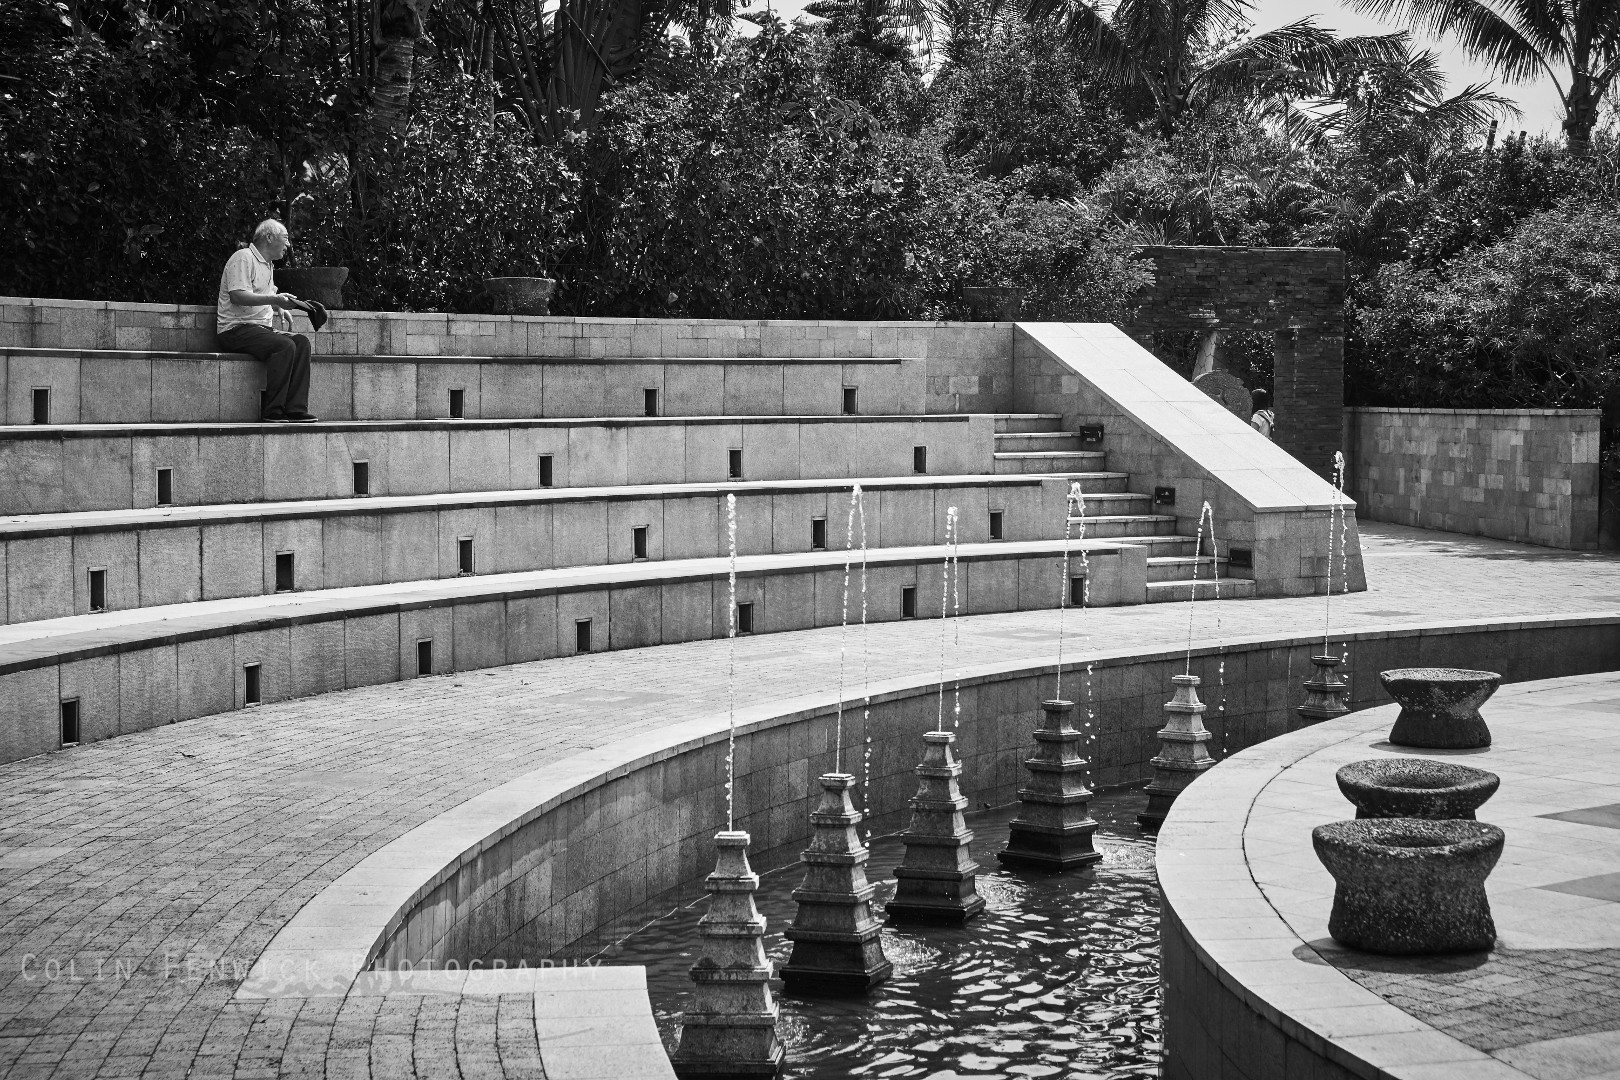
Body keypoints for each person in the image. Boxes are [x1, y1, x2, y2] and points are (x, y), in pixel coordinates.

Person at [216, 219, 318, 422]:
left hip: (259, 330)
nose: (288, 245)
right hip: (235, 330)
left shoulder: (267, 265)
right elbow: (238, 296)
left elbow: (261, 295)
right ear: (269, 237)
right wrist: (274, 299)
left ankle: (296, 409)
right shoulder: (244, 258)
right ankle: (273, 411)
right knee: (285, 345)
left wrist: (278, 306)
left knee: (302, 343)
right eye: (286, 238)